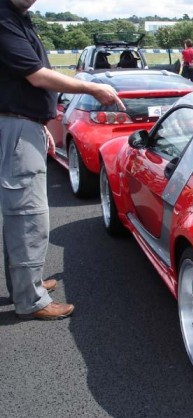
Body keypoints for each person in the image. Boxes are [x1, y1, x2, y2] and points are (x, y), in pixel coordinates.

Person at [0, 0, 125, 320]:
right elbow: (37, 76)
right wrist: (92, 88)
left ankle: (26, 285)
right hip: (14, 125)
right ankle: (31, 300)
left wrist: (37, 123)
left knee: (24, 215)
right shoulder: (4, 17)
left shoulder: (19, 17)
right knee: (28, 215)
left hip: (23, 123)